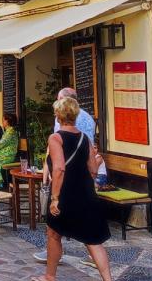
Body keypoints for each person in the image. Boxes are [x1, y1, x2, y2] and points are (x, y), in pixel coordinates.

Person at [29, 97, 117, 281]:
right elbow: (93, 170)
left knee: (53, 233)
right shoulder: (85, 139)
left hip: (65, 193)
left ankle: (50, 277)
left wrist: (55, 198)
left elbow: (59, 169)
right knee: (93, 240)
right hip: (86, 193)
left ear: (58, 115)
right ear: (75, 115)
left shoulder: (56, 138)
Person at [35, 87, 107, 266]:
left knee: (54, 227)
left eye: (58, 101)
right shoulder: (87, 120)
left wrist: (54, 193)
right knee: (86, 226)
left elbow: (60, 162)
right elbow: (91, 159)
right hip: (82, 179)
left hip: (67, 178)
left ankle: (51, 268)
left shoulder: (61, 128)